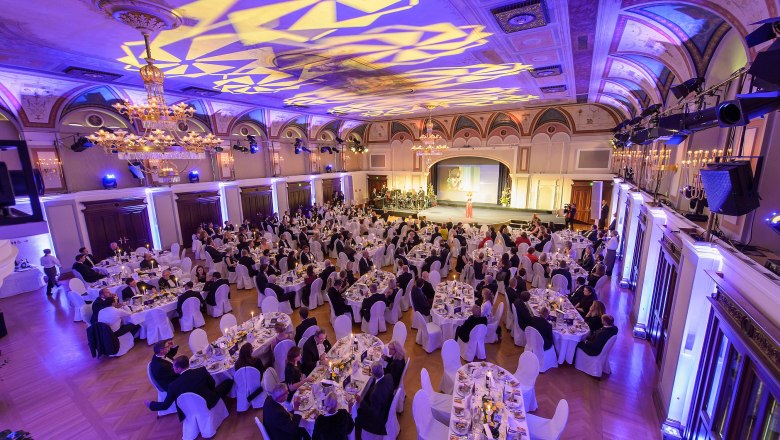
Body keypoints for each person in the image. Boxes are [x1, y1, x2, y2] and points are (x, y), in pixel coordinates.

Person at [146, 356, 234, 421]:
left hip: (190, 409)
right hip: (210, 401)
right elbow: (212, 384)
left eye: (174, 367)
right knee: (229, 381)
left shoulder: (173, 386)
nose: (172, 368)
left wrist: (151, 404)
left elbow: (165, 405)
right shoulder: (202, 370)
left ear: (179, 369)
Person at [355, 362, 395, 437]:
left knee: (357, 417)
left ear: (372, 374)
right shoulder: (389, 376)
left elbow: (373, 413)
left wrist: (361, 401)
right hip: (385, 406)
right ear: (382, 369)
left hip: (379, 421)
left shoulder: (375, 394)